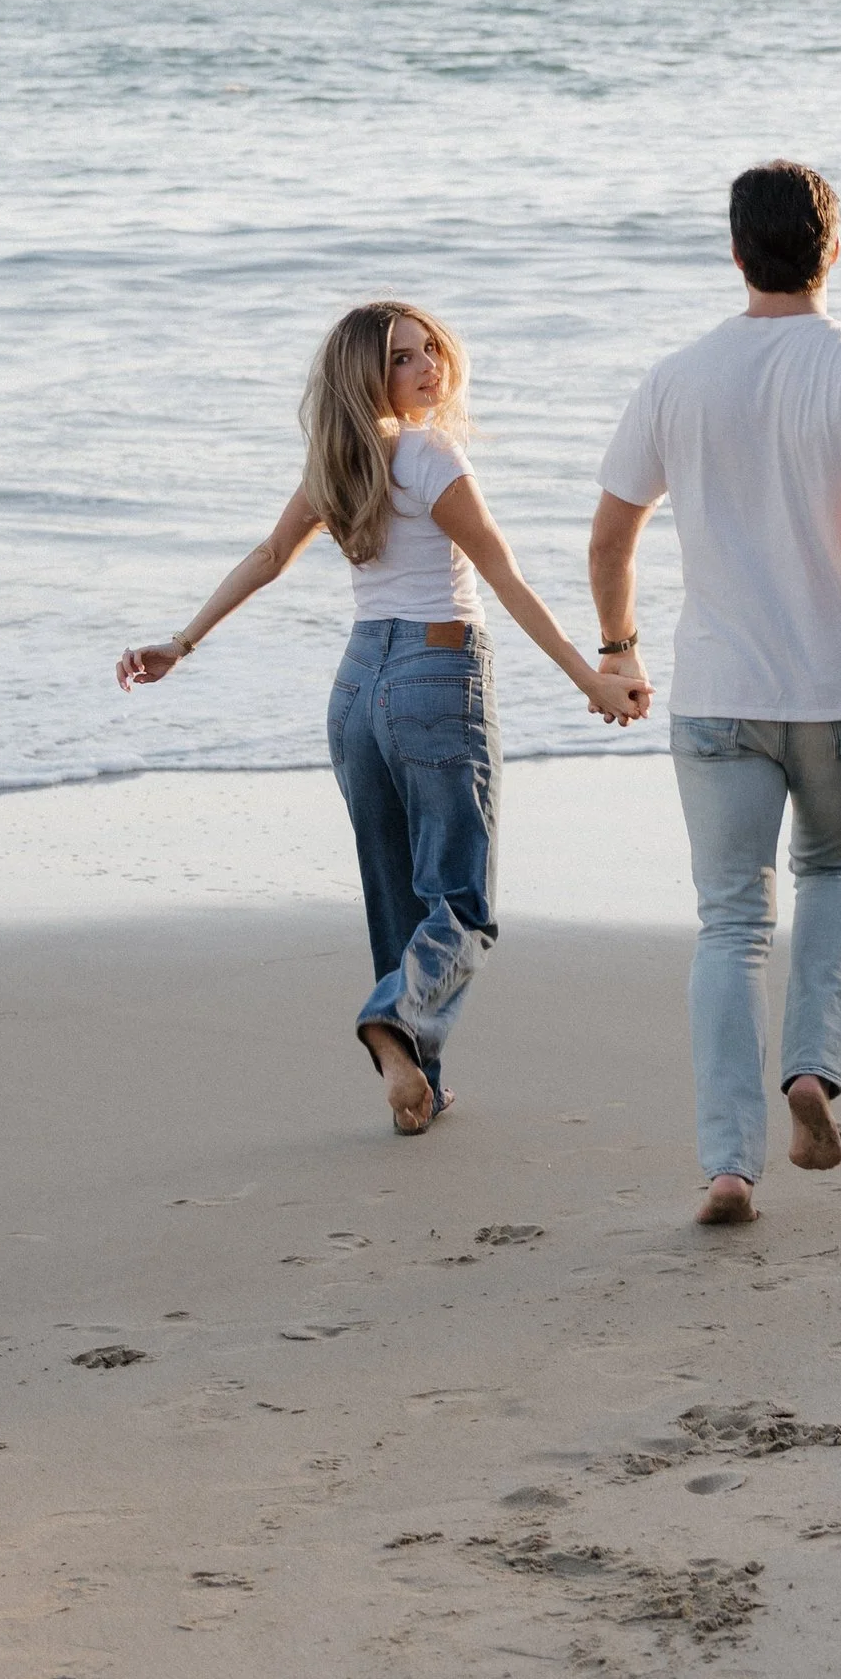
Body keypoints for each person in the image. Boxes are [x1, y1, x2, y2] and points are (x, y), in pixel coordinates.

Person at [117, 302, 642, 1135]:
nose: (428, 366)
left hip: (358, 688)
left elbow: (265, 559)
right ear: (366, 376)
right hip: (437, 676)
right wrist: (590, 676)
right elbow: (501, 574)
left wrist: (182, 642)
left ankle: (416, 1083)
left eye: (430, 349)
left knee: (395, 896)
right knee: (461, 901)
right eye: (403, 358)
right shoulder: (431, 453)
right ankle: (397, 1024)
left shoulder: (338, 463)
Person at [588, 163, 841, 1226]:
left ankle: (728, 1166)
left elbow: (611, 533)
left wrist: (618, 647)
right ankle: (813, 1074)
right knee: (833, 874)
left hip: (718, 691)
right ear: (831, 251)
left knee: (730, 924)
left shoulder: (676, 378)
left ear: (736, 253)